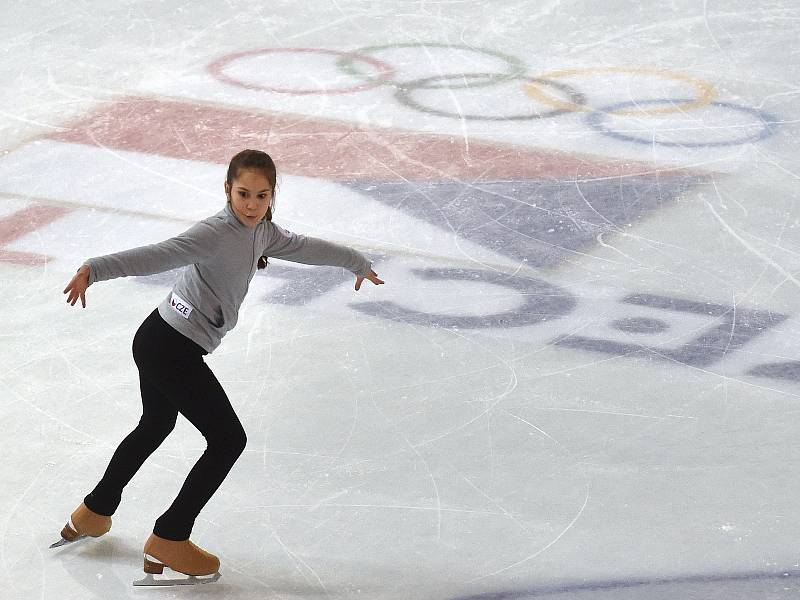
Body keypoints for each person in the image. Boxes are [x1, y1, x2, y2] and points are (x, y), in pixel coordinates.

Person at [55, 149, 384, 585]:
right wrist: (95, 269)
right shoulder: (214, 233)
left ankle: (94, 512)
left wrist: (355, 262)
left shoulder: (262, 233)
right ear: (227, 189)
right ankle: (170, 536)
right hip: (169, 346)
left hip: (157, 337)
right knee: (228, 439)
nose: (251, 204)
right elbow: (158, 254)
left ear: (271, 196)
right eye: (243, 193)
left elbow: (307, 248)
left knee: (155, 424)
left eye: (261, 195)